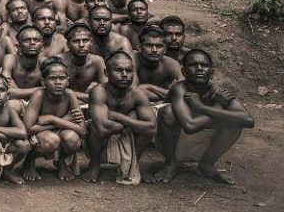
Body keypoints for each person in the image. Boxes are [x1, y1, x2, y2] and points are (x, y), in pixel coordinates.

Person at [147, 49, 254, 185]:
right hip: (171, 144)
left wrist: (203, 108)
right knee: (168, 112)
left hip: (202, 146)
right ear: (184, 72)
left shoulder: (218, 93)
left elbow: (248, 121)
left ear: (212, 73)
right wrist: (218, 108)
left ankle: (206, 166)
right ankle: (170, 164)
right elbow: (189, 126)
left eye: (204, 65)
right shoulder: (179, 89)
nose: (199, 68)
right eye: (193, 65)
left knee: (235, 122)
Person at [80, 52, 156, 184]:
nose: (125, 75)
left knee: (146, 130)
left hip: (126, 131)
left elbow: (151, 127)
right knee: (93, 127)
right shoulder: (99, 91)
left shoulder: (138, 94)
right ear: (106, 72)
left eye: (129, 71)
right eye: (119, 70)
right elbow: (101, 128)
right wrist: (132, 122)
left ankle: (134, 164)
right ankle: (94, 164)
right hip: (104, 137)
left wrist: (119, 117)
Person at [21, 59, 86, 181]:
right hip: (39, 134)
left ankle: (61, 161)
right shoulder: (39, 94)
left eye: (62, 78)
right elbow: (28, 129)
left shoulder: (70, 94)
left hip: (51, 127)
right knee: (51, 140)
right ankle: (30, 160)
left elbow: (82, 130)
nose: (58, 82)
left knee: (73, 139)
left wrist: (53, 119)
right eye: (52, 78)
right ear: (43, 81)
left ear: (68, 81)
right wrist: (64, 121)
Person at [133, 25, 182, 102]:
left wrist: (150, 87)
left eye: (159, 46)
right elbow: (133, 90)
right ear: (139, 47)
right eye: (149, 45)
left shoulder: (172, 64)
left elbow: (183, 93)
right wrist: (169, 94)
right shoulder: (132, 60)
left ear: (165, 49)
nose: (154, 50)